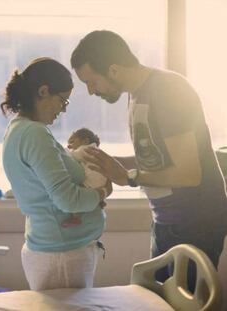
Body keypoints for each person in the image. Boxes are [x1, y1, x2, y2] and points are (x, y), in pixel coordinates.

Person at [70, 30, 227, 289]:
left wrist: (128, 177)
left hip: (195, 221)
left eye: (91, 81)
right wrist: (110, 162)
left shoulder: (167, 90)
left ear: (113, 69)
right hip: (167, 221)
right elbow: (157, 157)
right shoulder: (137, 93)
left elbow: (189, 173)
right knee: (157, 300)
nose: (90, 91)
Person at [1, 57, 111, 291]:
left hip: (58, 249)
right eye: (63, 100)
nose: (64, 109)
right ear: (43, 91)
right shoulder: (34, 134)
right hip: (62, 254)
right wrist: (102, 192)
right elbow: (67, 199)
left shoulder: (19, 129)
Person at [62, 128, 108, 228]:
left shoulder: (85, 149)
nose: (69, 146)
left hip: (91, 181)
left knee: (76, 193)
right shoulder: (95, 150)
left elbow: (71, 156)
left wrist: (64, 150)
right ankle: (99, 201)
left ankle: (76, 216)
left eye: (72, 142)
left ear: (85, 141)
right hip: (101, 181)